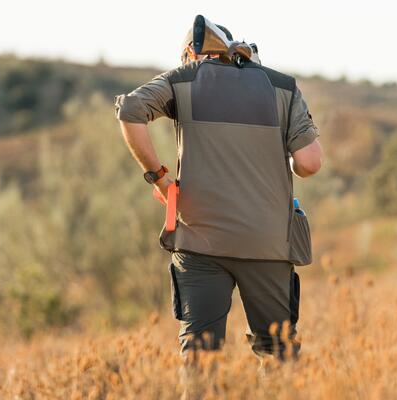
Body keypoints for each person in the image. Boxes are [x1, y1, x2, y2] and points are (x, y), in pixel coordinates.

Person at [114, 20, 323, 362]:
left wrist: (160, 179)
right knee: (277, 352)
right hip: (268, 244)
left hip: (200, 242)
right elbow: (310, 163)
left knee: (199, 355)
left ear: (189, 53)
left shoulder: (183, 79)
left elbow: (130, 111)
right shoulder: (283, 87)